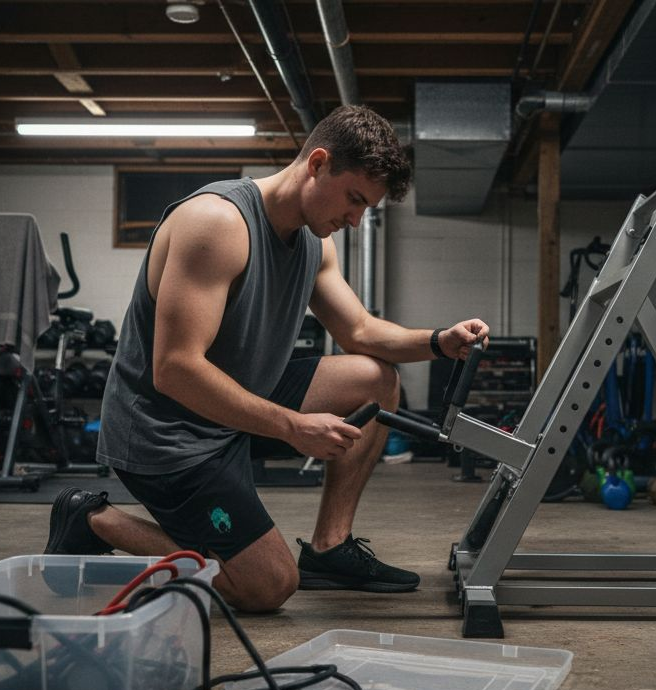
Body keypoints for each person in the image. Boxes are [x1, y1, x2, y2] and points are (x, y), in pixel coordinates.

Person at [45, 105, 488, 612]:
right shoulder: (216, 223)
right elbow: (175, 369)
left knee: (374, 378)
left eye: (368, 209)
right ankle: (91, 519)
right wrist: (291, 426)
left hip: (236, 404)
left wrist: (438, 340)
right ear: (317, 163)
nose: (356, 220)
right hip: (167, 434)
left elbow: (360, 330)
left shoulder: (313, 245)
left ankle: (330, 547)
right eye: (354, 200)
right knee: (266, 586)